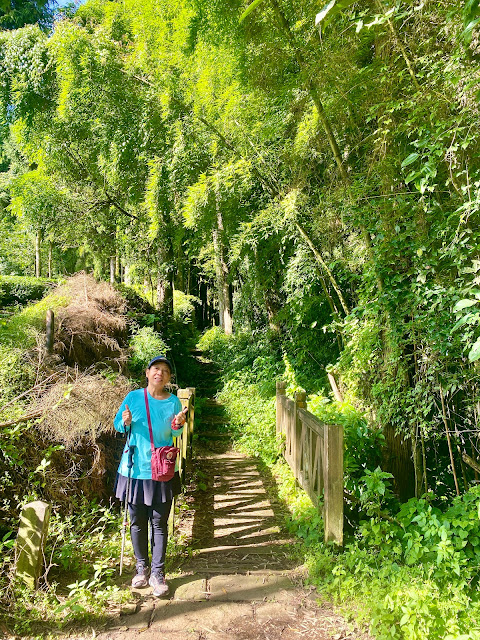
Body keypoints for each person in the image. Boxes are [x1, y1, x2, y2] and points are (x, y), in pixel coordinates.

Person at [113, 355, 187, 597]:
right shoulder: (133, 398)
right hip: (135, 468)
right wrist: (124, 422)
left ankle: (158, 572)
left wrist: (178, 424)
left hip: (162, 470)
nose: (160, 373)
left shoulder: (174, 402)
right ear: (147, 373)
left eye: (165, 370)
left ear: (169, 377)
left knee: (159, 523)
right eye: (156, 369)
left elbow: (174, 430)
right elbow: (118, 426)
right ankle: (141, 568)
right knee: (136, 521)